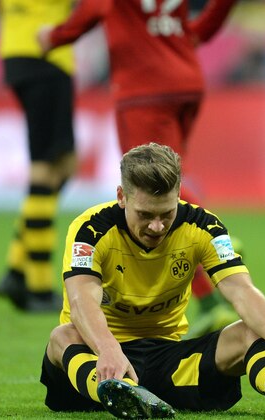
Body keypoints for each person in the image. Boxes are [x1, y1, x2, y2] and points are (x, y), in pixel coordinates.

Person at [39, 143, 265, 418]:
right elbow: (82, 300)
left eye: (166, 213)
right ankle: (119, 392)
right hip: (95, 363)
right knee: (62, 337)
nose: (156, 227)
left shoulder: (203, 227)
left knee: (249, 330)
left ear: (179, 195)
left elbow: (241, 291)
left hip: (168, 365)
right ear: (122, 196)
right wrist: (108, 349)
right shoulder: (91, 230)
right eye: (145, 215)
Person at [36, 0, 240, 333]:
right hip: (186, 78)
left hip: (144, 87)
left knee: (153, 183)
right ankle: (209, 299)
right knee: (169, 176)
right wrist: (190, 37)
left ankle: (218, 243)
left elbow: (91, 11)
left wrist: (54, 37)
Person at [0, 0, 78, 312]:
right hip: (45, 54)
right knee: (46, 167)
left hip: (15, 50)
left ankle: (17, 269)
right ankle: (38, 286)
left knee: (64, 164)